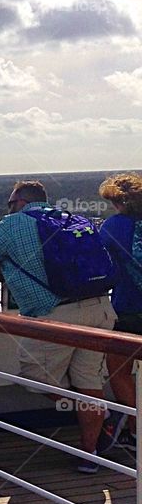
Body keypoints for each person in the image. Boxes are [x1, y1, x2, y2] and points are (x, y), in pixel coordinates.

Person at [0, 180, 116, 473]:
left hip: (56, 315)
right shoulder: (72, 220)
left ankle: (99, 418)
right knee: (89, 383)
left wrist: (9, 266)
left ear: (20, 203)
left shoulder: (13, 224)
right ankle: (90, 453)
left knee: (34, 378)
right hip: (99, 308)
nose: (9, 208)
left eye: (10, 203)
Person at [96, 173, 142, 453]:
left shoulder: (113, 226)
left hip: (128, 308)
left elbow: (99, 264)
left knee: (119, 370)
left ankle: (136, 431)